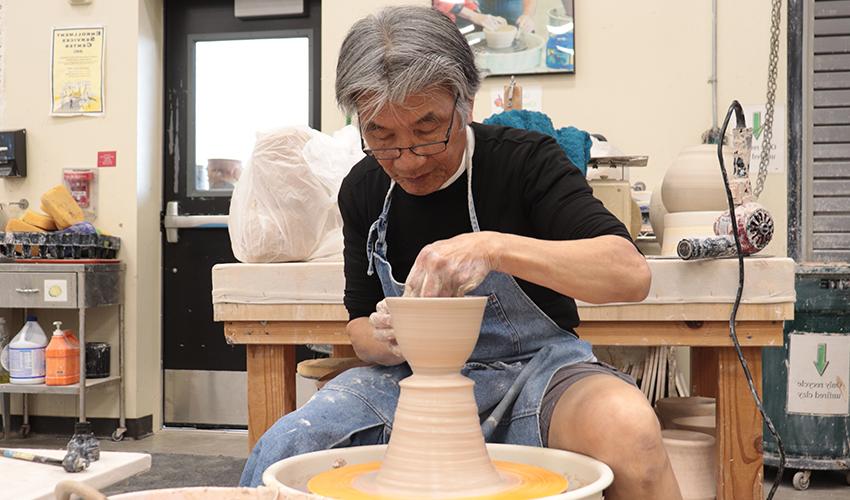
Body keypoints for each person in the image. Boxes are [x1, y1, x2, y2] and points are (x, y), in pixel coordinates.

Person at [240, 6, 681, 499]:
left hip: (537, 372)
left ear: (465, 103)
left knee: (631, 432)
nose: (407, 160)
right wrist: (385, 338)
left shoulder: (526, 160)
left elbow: (629, 274)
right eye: (381, 136)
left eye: (427, 130)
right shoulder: (363, 188)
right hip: (408, 382)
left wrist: (494, 247)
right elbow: (359, 324)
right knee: (285, 447)